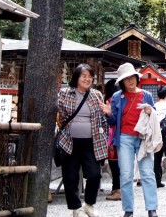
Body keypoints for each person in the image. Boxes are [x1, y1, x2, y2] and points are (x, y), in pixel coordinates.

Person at [105, 63, 160, 217]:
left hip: (143, 138)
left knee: (147, 173)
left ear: (136, 77)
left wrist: (150, 111)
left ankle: (152, 208)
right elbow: (113, 122)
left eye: (132, 77)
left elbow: (154, 117)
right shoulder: (117, 97)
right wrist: (109, 114)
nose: (130, 81)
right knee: (126, 174)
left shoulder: (146, 95)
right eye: (126, 79)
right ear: (122, 82)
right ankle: (128, 209)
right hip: (124, 138)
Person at [57, 63, 109, 217]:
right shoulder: (65, 93)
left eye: (90, 76)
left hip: (92, 142)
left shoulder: (96, 95)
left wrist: (105, 133)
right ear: (77, 77)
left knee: (94, 174)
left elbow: (103, 118)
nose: (87, 79)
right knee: (70, 175)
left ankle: (89, 204)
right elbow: (58, 113)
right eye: (84, 76)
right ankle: (76, 208)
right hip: (70, 141)